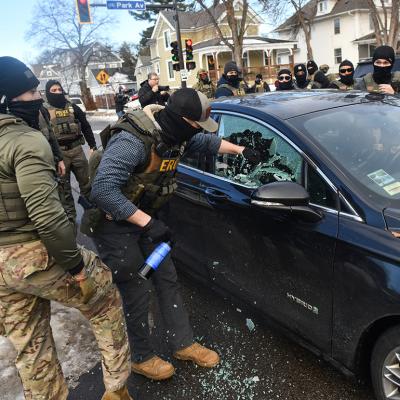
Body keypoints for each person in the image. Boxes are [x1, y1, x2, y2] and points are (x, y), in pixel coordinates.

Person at [87, 88, 260, 381]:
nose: (197, 133)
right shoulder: (132, 141)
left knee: (167, 278)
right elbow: (103, 190)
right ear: (181, 120)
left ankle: (183, 344)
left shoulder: (179, 136)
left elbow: (206, 142)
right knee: (136, 288)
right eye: (195, 126)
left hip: (147, 220)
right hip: (114, 225)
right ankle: (141, 357)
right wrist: (148, 223)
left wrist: (242, 150)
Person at [0, 57, 133, 400]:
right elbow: (47, 216)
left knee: (31, 347)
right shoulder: (23, 141)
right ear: (7, 99)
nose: (39, 99)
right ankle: (117, 390)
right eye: (31, 92)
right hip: (32, 253)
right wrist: (74, 266)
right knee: (105, 299)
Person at [43, 80, 97, 224]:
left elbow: (86, 126)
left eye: (59, 89)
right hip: (59, 155)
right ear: (48, 92)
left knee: (87, 185)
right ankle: (70, 220)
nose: (57, 93)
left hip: (77, 150)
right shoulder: (43, 111)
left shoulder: (73, 107)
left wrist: (93, 146)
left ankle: (92, 215)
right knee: (64, 190)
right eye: (53, 90)